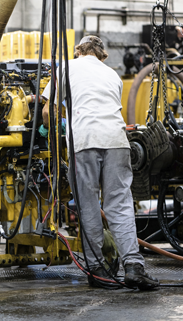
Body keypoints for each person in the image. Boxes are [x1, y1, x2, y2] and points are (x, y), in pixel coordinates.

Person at [41, 35, 159, 290]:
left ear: (79, 52)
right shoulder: (112, 75)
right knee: (120, 203)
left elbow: (47, 111)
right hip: (117, 140)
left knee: (88, 204)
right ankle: (133, 266)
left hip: (84, 141)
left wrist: (48, 129)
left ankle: (97, 268)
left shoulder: (67, 67)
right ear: (101, 55)